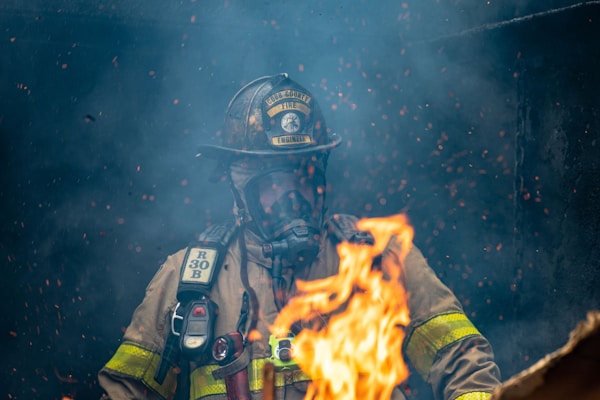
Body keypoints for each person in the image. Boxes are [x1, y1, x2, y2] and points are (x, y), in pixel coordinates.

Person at [98, 73, 501, 400]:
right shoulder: (191, 280)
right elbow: (127, 391)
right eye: (272, 183)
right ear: (241, 189)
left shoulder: (376, 257)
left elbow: (463, 358)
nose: (293, 196)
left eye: (304, 177)